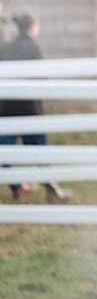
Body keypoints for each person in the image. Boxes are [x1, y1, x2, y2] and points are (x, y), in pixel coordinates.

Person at [0, 13, 72, 203]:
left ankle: (16, 187)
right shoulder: (34, 48)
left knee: (5, 150)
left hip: (6, 108)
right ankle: (51, 190)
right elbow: (41, 79)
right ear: (32, 27)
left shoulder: (6, 47)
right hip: (29, 108)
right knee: (40, 150)